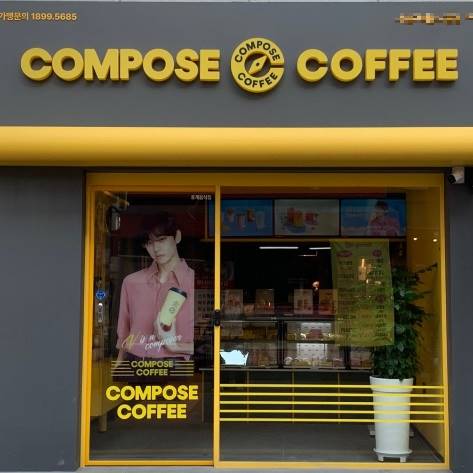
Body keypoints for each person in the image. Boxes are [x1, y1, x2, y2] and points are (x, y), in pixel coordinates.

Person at [116, 211, 194, 362]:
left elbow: (210, 340)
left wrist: (175, 347)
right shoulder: (132, 282)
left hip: (177, 366)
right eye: (149, 243)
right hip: (136, 365)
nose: (156, 248)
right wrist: (118, 369)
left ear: (177, 236)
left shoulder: (193, 281)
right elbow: (124, 337)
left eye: (162, 239)